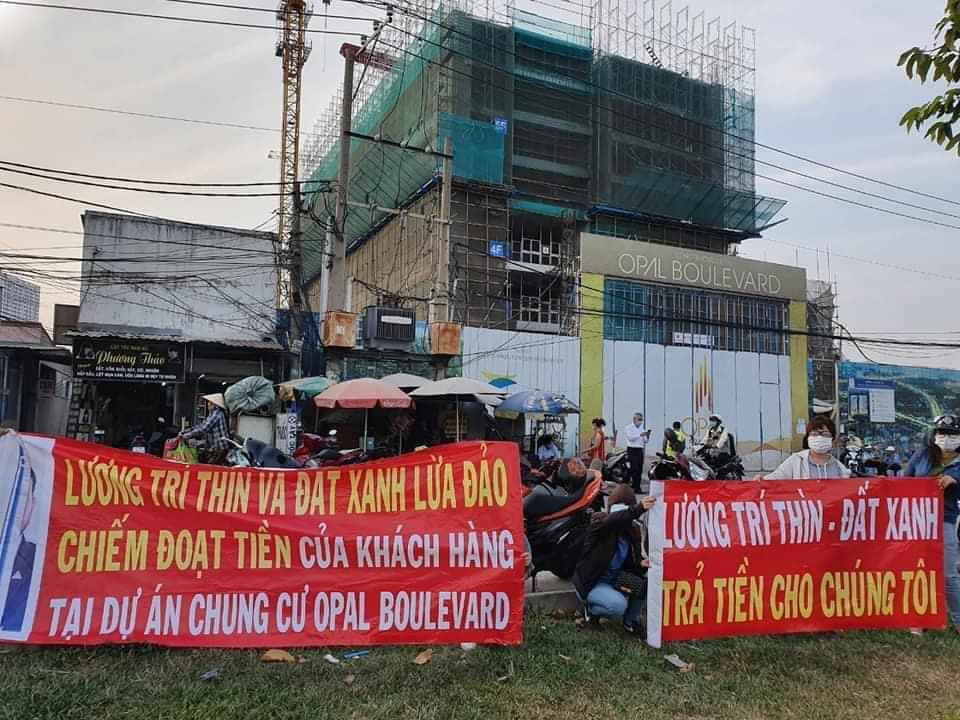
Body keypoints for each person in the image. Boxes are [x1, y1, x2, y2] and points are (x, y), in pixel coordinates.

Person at [572, 484, 655, 635]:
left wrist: (640, 564)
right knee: (617, 606)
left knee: (645, 586)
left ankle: (630, 622)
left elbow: (631, 565)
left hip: (616, 580)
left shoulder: (632, 531)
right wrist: (638, 509)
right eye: (620, 512)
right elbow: (613, 520)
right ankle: (590, 611)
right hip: (591, 583)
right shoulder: (598, 522)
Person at [904, 414, 960, 630]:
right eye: (942, 433)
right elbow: (904, 480)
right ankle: (920, 619)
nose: (946, 438)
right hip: (917, 521)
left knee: (948, 575)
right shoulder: (922, 455)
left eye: (952, 434)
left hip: (945, 520)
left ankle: (958, 620)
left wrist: (955, 480)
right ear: (934, 435)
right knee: (918, 570)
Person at [760, 416, 851, 480]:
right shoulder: (796, 461)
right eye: (814, 434)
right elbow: (777, 477)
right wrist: (761, 481)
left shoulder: (839, 468)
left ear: (832, 438)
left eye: (824, 434)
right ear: (808, 437)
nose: (819, 437)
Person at [181, 393, 231, 464]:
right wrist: (188, 430)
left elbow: (204, 429)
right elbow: (201, 425)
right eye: (208, 402)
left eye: (210, 403)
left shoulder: (217, 414)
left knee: (210, 466)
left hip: (220, 447)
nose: (208, 404)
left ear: (215, 405)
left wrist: (188, 435)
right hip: (213, 447)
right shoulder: (211, 414)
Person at [622, 412, 651, 493]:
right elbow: (630, 438)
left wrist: (647, 435)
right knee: (633, 468)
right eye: (639, 419)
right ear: (634, 419)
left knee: (639, 469)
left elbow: (645, 441)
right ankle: (626, 483)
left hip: (639, 450)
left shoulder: (642, 428)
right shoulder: (629, 428)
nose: (641, 421)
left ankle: (637, 487)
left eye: (642, 419)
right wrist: (640, 435)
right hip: (632, 449)